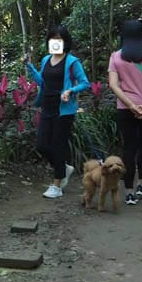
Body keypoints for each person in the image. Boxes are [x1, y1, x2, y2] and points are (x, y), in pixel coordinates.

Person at [25, 24, 91, 199]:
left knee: (58, 145)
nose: (55, 41)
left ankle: (56, 185)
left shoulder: (72, 62)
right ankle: (63, 168)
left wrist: (70, 91)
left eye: (59, 38)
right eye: (52, 38)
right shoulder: (46, 60)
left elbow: (85, 83)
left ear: (65, 41)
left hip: (64, 110)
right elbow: (42, 82)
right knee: (41, 145)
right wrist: (30, 67)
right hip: (47, 107)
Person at [108, 20, 142, 206]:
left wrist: (132, 105)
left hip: (125, 108)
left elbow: (113, 85)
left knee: (129, 148)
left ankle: (129, 192)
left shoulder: (116, 57)